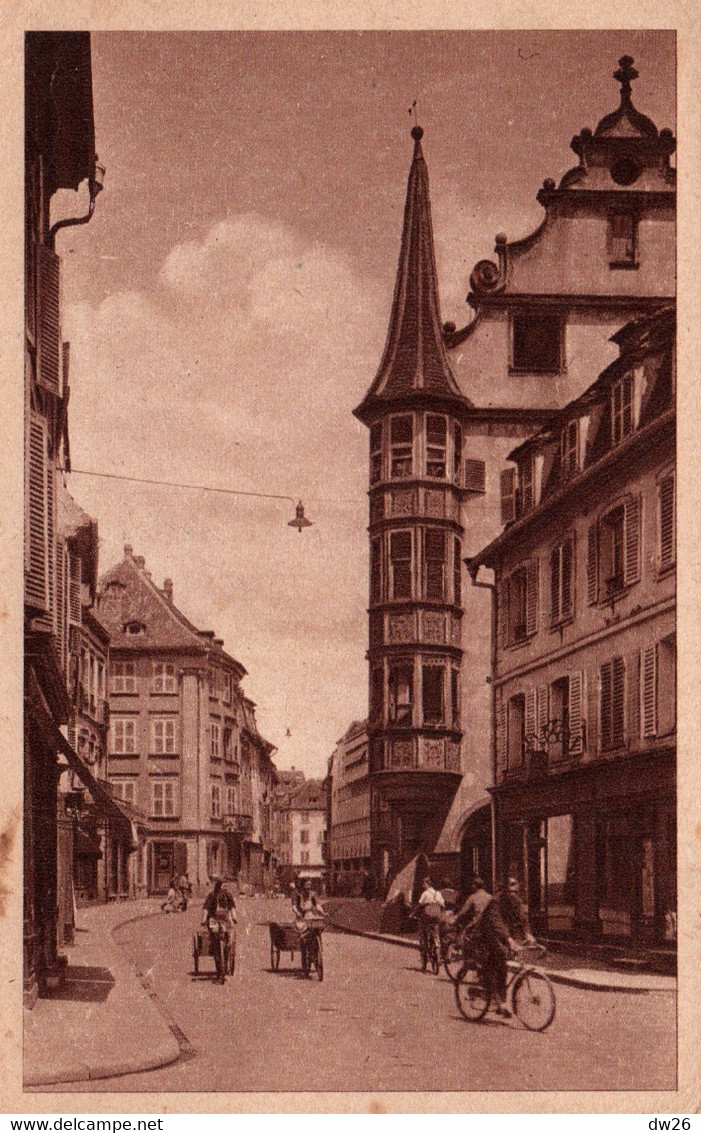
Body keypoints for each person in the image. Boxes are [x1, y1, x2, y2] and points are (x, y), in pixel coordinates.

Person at [454, 875, 512, 1016]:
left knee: (469, 946)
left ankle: (491, 993)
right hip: (487, 933)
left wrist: (455, 919)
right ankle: (492, 995)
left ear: (474, 886)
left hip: (479, 930)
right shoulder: (490, 897)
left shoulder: (474, 897)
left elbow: (463, 912)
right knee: (493, 965)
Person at [201, 878, 237, 983]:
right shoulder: (212, 896)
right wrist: (204, 919)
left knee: (228, 941)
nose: (225, 889)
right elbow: (206, 909)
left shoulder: (228, 896)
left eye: (226, 887)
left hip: (225, 920)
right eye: (223, 887)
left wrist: (234, 917)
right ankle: (219, 972)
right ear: (218, 887)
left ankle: (225, 963)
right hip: (214, 920)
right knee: (216, 943)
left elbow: (232, 908)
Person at [411, 877, 445, 971]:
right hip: (436, 917)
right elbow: (443, 904)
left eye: (424, 884)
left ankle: (424, 963)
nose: (423, 885)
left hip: (427, 917)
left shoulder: (425, 893)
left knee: (423, 936)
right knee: (435, 933)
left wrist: (413, 914)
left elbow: (419, 904)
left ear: (427, 884)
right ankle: (437, 948)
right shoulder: (438, 893)